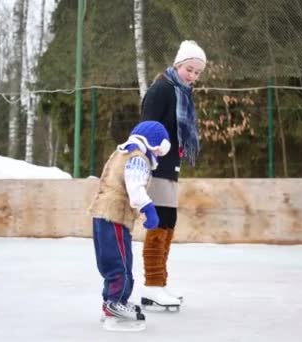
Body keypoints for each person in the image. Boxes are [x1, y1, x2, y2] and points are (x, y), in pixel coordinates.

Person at [139, 40, 207, 308]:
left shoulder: (181, 94)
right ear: (178, 64)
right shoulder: (162, 90)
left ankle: (158, 284)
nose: (192, 76)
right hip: (156, 167)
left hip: (170, 168)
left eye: (197, 72)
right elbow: (145, 129)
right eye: (189, 69)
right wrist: (148, 162)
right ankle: (152, 286)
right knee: (159, 222)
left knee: (168, 221)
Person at [88, 120, 171, 331]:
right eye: (161, 151)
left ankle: (113, 303)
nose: (159, 157)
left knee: (113, 263)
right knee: (120, 265)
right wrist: (149, 209)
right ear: (155, 145)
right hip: (114, 216)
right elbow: (135, 188)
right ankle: (115, 306)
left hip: (102, 215)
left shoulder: (122, 152)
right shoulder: (138, 158)